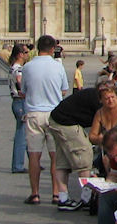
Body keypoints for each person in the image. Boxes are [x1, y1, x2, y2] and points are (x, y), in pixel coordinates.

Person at [22, 34, 73, 208]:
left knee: (34, 156)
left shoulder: (28, 67)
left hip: (34, 113)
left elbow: (24, 90)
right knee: (55, 157)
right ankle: (55, 194)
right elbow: (64, 90)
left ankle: (35, 194)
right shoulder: (58, 66)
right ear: (53, 49)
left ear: (37, 48)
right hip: (53, 114)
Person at [8, 42, 29, 173]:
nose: (28, 55)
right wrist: (25, 91)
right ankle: (18, 165)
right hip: (20, 102)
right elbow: (20, 82)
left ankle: (33, 160)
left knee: (25, 134)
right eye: (26, 52)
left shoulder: (12, 67)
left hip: (16, 102)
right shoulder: (19, 69)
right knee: (21, 135)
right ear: (20, 54)